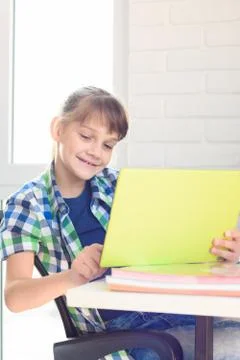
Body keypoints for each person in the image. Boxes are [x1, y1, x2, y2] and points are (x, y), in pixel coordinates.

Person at [0, 86, 240, 360]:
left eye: (108, 145)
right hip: (118, 332)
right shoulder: (27, 203)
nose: (96, 152)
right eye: (86, 136)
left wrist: (220, 255)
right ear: (58, 129)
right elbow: (15, 296)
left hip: (170, 309)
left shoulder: (119, 186)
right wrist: (72, 276)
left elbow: (165, 250)